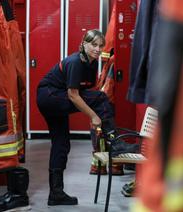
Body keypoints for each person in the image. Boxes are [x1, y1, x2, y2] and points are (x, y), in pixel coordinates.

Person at [36, 29, 138, 206]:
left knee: (61, 143)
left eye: (100, 45)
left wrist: (95, 112)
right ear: (84, 44)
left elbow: (83, 91)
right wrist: (93, 116)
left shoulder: (91, 64)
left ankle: (56, 193)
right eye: (93, 45)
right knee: (101, 98)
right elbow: (74, 95)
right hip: (50, 96)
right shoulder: (76, 62)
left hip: (54, 98)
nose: (98, 49)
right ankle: (115, 144)